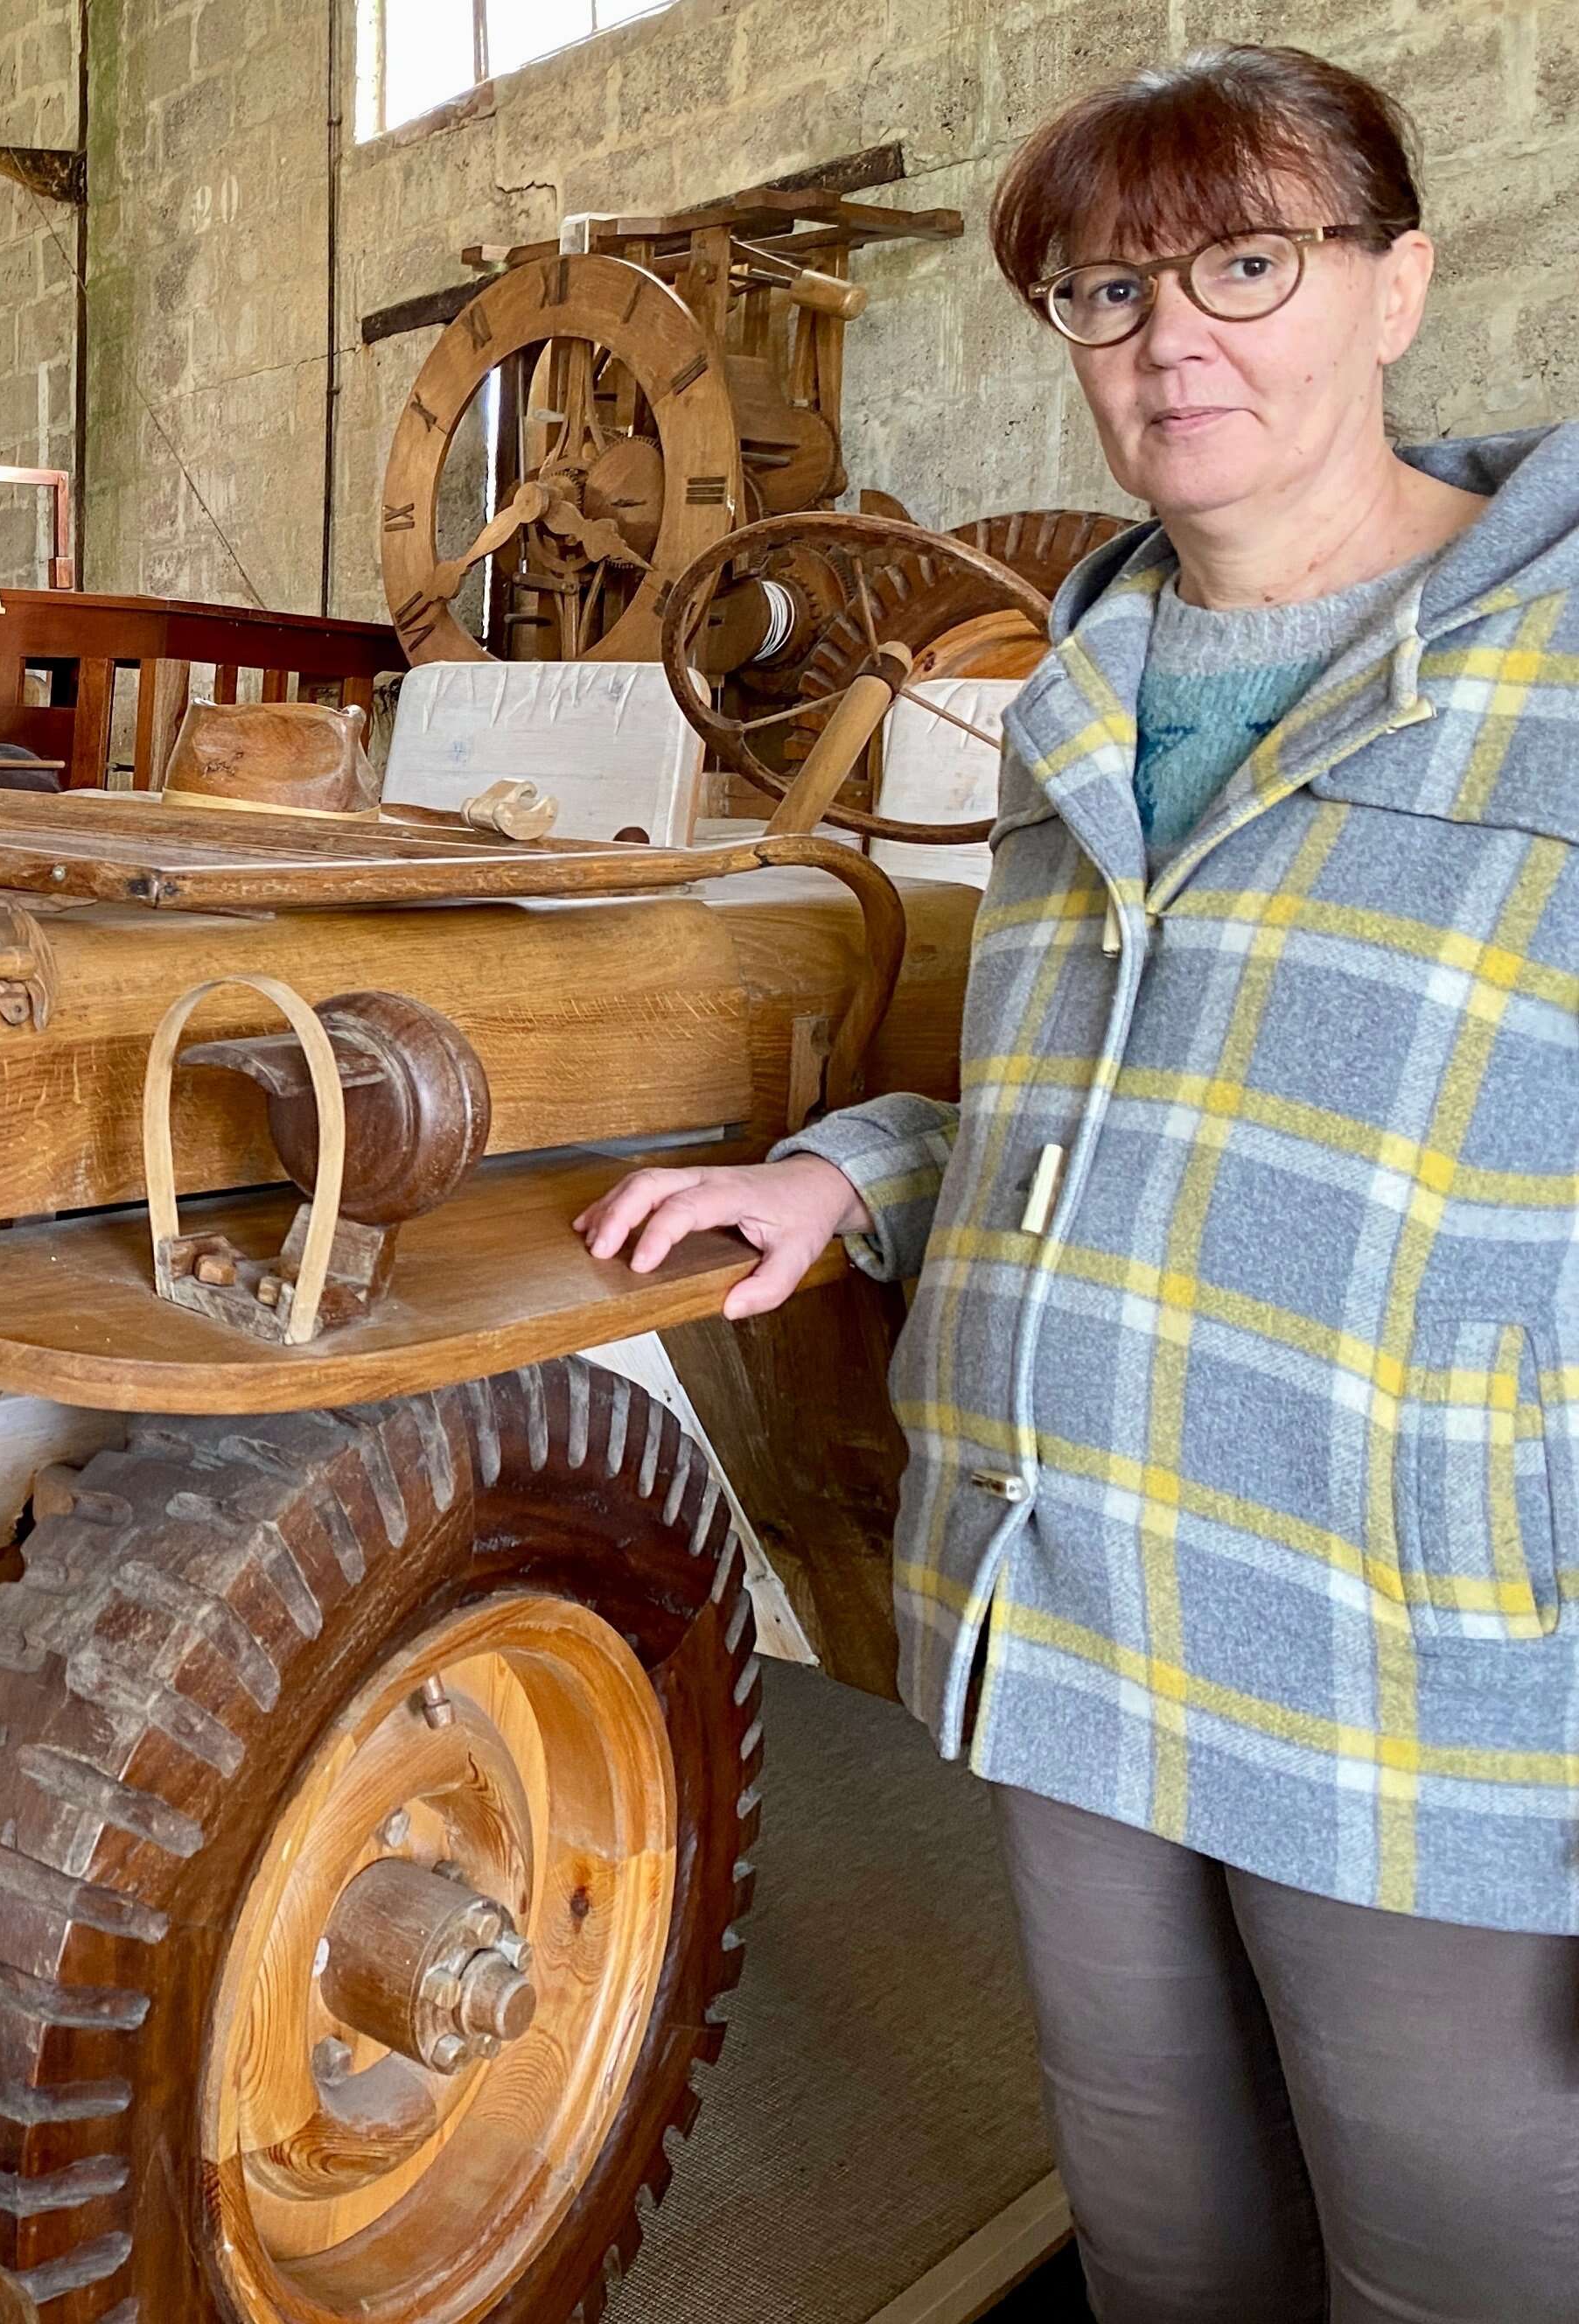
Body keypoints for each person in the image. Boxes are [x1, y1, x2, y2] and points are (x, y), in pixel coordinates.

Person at [577, 46, 1579, 2324]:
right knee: (1171, 2255)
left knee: (1463, 2276)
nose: (1172, 337)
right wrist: (849, 1177)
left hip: (1423, 1676)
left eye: (1246, 261)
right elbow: (1104, 1106)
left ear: (1398, 283)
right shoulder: (1073, 705)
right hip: (1074, 1616)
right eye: (1105, 292)